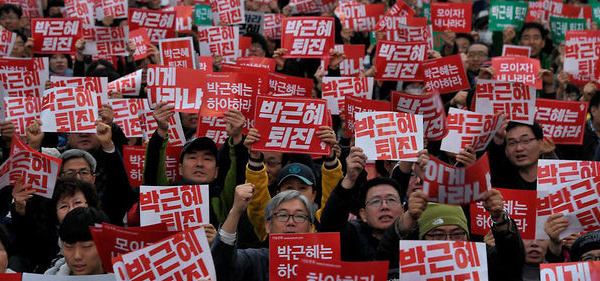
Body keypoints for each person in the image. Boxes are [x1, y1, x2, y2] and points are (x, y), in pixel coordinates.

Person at [377, 189, 525, 281]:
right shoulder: (408, 265)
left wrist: (500, 220)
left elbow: (510, 263)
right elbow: (385, 258)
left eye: (457, 234)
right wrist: (408, 218)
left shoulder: (481, 261)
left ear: (467, 237)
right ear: (421, 239)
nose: (448, 242)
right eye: (437, 235)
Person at [243, 126, 342, 242]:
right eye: (289, 187)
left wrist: (330, 157)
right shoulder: (270, 223)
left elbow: (333, 198)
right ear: (278, 193)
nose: (295, 193)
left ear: (314, 195)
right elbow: (257, 199)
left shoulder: (323, 223)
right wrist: (255, 156)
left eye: (302, 188)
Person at [211, 187, 315, 281]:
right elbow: (223, 266)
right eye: (282, 215)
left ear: (311, 227)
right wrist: (236, 211)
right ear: (268, 226)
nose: (291, 222)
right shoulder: (256, 260)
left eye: (300, 216)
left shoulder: (325, 263)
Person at [319, 147, 404, 261]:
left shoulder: (414, 236)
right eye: (376, 201)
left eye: (391, 200)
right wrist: (349, 179)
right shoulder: (352, 236)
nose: (384, 206)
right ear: (363, 214)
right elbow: (329, 227)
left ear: (403, 209)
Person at [45, 206, 109, 275]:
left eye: (86, 247)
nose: (77, 256)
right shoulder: (50, 276)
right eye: (69, 247)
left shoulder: (119, 276)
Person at [488, 121, 546, 190]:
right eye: (512, 143)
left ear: (540, 144)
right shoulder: (500, 182)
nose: (519, 148)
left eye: (525, 141)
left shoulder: (556, 180)